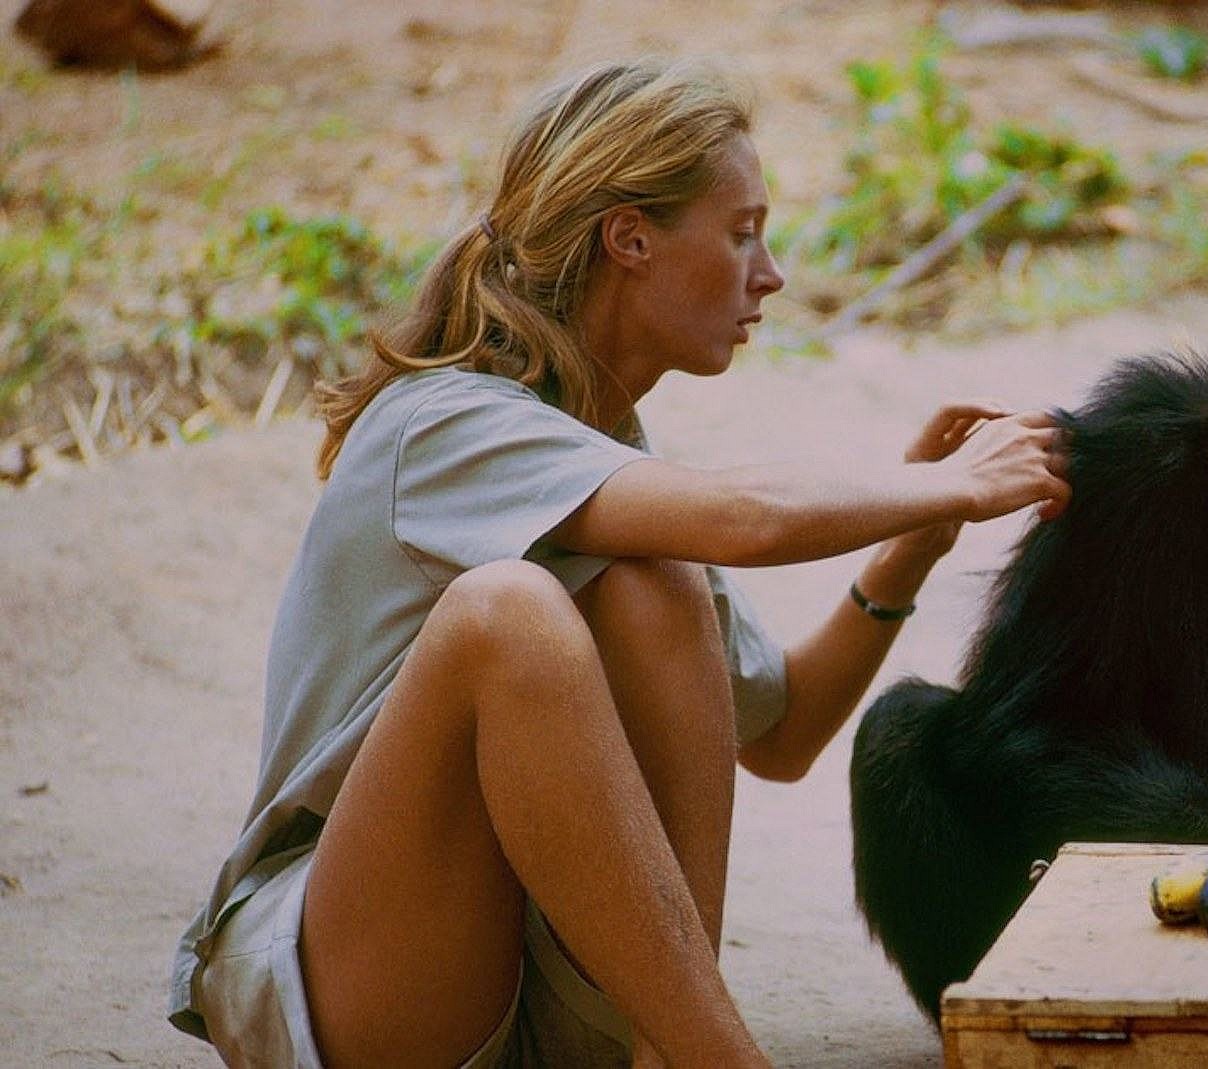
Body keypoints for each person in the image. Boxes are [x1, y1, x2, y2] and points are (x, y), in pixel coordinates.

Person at [167, 58, 1070, 1068]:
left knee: (656, 580)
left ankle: (667, 1045)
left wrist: (911, 548)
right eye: (741, 233)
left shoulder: (608, 461)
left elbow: (781, 733)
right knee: (507, 613)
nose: (769, 273)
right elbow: (744, 518)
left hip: (526, 980)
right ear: (629, 237)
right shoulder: (442, 423)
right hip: (359, 983)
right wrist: (948, 486)